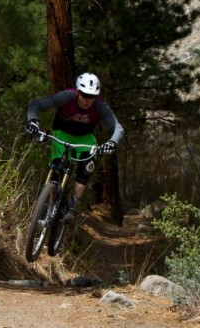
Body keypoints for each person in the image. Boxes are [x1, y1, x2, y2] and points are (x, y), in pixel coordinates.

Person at [25, 72, 125, 223]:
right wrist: (33, 121)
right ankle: (45, 204)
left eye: (92, 96)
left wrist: (112, 143)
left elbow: (118, 128)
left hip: (85, 138)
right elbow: (36, 104)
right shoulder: (66, 97)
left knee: (86, 168)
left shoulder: (100, 105)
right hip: (62, 134)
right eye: (85, 95)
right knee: (57, 167)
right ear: (78, 92)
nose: (88, 100)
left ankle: (72, 206)